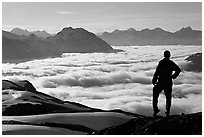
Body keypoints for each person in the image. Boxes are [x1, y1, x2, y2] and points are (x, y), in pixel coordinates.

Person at [152, 50, 181, 117]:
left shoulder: (161, 62)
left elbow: (157, 72)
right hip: (167, 82)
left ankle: (156, 110)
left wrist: (154, 79)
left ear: (164, 55)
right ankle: (167, 111)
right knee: (168, 98)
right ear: (169, 55)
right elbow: (178, 70)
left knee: (155, 94)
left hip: (161, 82)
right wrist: (173, 76)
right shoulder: (170, 63)